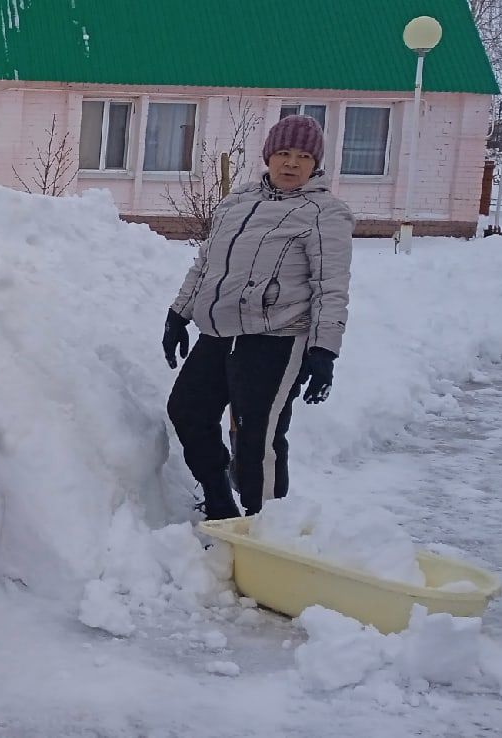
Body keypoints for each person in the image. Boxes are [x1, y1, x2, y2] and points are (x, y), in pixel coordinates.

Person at [163, 114, 354, 520]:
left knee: (258, 436)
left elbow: (331, 287)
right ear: (268, 156)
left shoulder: (325, 213)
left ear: (315, 164)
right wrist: (178, 314)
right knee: (187, 411)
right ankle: (218, 499)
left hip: (276, 338)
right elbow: (206, 265)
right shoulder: (237, 202)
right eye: (283, 153)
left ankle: (265, 527)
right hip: (218, 334)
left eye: (303, 156)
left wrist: (323, 352)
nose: (291, 163)